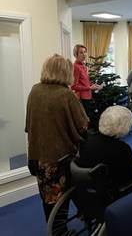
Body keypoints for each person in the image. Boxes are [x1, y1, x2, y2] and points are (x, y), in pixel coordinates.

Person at [25, 54, 88, 225]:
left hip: (37, 156)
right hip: (60, 159)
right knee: (63, 202)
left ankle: (55, 230)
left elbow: (29, 124)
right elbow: (83, 126)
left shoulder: (34, 90)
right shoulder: (66, 95)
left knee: (49, 201)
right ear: (64, 72)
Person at [78, 106, 132, 192]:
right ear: (125, 126)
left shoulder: (87, 141)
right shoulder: (122, 149)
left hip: (89, 194)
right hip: (115, 195)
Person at [71, 44, 102, 115]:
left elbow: (85, 82)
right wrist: (89, 87)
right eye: (81, 52)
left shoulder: (84, 66)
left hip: (88, 96)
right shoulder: (75, 66)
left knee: (88, 119)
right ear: (76, 54)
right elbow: (73, 86)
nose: (84, 54)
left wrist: (94, 85)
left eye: (85, 52)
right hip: (81, 99)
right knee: (85, 121)